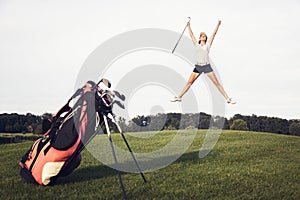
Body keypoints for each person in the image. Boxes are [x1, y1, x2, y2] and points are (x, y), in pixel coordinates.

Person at [170, 20, 236, 104]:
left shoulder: (207, 45)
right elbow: (191, 35)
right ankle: (179, 97)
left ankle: (228, 98)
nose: (204, 37)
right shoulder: (197, 45)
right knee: (189, 82)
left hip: (206, 66)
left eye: (205, 36)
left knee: (216, 83)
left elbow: (214, 34)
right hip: (198, 67)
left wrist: (218, 25)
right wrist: (188, 26)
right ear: (200, 38)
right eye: (202, 36)